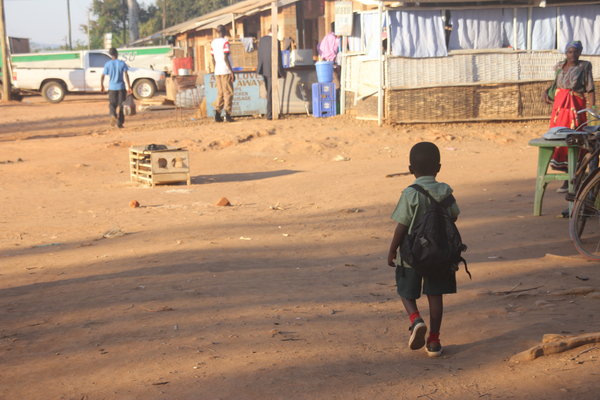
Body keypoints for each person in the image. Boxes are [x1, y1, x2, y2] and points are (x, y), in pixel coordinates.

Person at [387, 142, 460, 358]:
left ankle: (416, 320)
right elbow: (454, 215)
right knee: (435, 296)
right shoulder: (445, 190)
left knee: (405, 291)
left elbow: (401, 225)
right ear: (438, 168)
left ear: (411, 169)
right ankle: (435, 341)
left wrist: (392, 250)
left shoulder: (410, 193)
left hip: (412, 256)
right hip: (440, 255)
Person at [543, 40, 596, 192]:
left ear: (580, 52)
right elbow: (555, 86)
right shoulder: (559, 66)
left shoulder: (584, 66)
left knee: (574, 139)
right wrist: (545, 91)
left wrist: (592, 110)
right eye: (570, 51)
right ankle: (567, 179)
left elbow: (590, 89)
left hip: (575, 107)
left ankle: (575, 178)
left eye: (576, 51)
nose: (573, 54)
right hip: (560, 108)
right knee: (559, 139)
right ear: (566, 53)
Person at [257, 27, 285, 120]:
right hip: (271, 69)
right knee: (270, 92)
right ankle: (270, 114)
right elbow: (278, 57)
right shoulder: (275, 41)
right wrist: (281, 72)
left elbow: (259, 55)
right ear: (276, 31)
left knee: (268, 91)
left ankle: (271, 112)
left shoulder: (262, 40)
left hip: (263, 69)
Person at [100, 47, 131, 128]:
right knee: (121, 105)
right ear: (117, 53)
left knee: (112, 105)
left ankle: (113, 115)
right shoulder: (122, 63)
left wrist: (102, 85)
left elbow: (103, 76)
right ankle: (120, 123)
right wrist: (129, 86)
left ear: (110, 55)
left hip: (112, 88)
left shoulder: (107, 64)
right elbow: (126, 75)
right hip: (121, 87)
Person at [211, 25, 236, 123]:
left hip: (217, 71)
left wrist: (215, 68)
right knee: (228, 93)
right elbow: (225, 57)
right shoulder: (225, 42)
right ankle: (227, 114)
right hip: (225, 70)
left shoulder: (213, 42)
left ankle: (217, 114)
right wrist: (231, 71)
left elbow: (212, 58)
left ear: (217, 32)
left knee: (220, 93)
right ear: (224, 32)